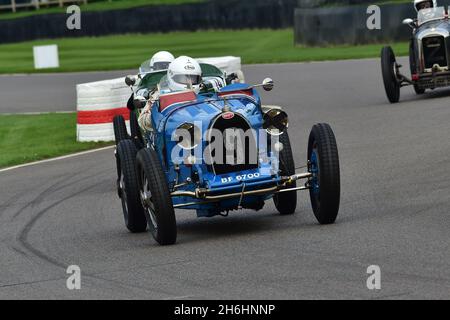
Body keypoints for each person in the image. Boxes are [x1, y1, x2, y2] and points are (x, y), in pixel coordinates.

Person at [138, 56, 203, 131]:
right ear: (171, 76)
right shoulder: (159, 94)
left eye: (194, 78)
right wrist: (156, 118)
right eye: (183, 78)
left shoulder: (203, 91)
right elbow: (143, 121)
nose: (189, 83)